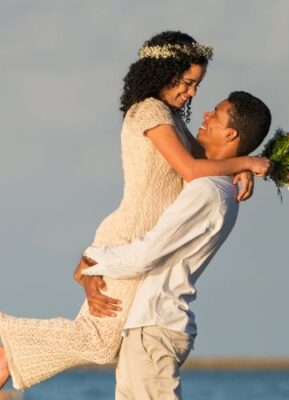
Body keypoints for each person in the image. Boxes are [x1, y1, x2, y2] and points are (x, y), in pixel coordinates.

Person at [0, 31, 268, 390]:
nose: (191, 94)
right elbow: (190, 169)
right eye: (187, 83)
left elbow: (208, 159)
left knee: (102, 342)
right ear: (165, 72)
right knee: (97, 340)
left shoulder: (173, 121)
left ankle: (6, 358)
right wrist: (248, 161)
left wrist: (241, 168)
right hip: (130, 234)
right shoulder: (150, 111)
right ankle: (4, 343)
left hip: (142, 241)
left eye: (196, 86)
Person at [77, 91, 271, 399]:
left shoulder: (208, 190)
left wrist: (92, 258)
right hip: (151, 326)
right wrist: (243, 165)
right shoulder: (217, 186)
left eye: (216, 115)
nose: (205, 115)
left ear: (230, 133)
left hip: (155, 327)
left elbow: (146, 254)